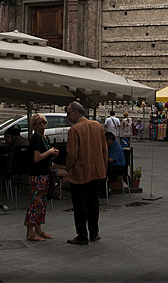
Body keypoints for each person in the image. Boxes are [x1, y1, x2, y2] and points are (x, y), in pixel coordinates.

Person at [64, 101, 107, 245]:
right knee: (93, 203)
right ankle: (94, 233)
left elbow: (72, 154)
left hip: (80, 172)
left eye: (68, 113)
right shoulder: (97, 126)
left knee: (80, 204)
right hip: (96, 171)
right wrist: (103, 166)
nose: (67, 116)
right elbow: (104, 149)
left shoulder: (74, 130)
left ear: (76, 113)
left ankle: (82, 235)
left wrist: (68, 168)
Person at [25, 114, 58, 242]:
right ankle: (30, 231)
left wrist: (52, 154)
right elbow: (36, 157)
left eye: (43, 122)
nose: (42, 125)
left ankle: (38, 229)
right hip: (37, 174)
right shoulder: (36, 138)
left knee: (42, 203)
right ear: (34, 125)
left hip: (44, 173)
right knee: (35, 202)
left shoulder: (44, 138)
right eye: (38, 123)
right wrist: (50, 152)